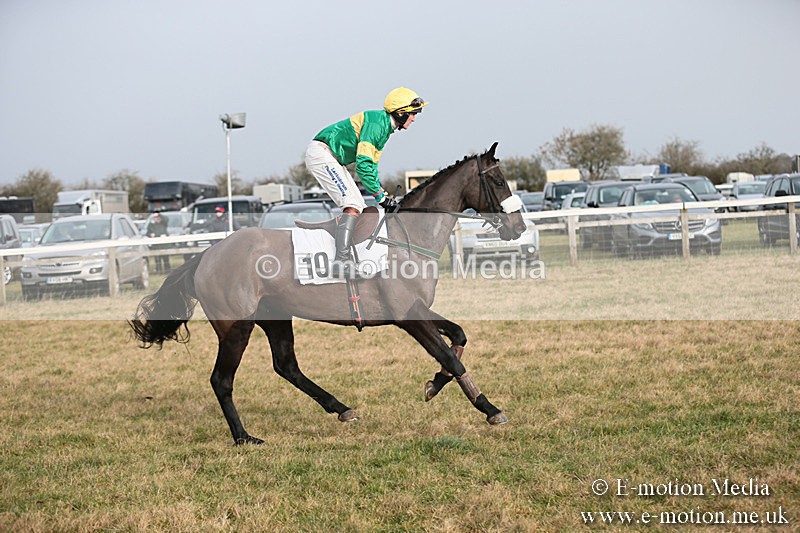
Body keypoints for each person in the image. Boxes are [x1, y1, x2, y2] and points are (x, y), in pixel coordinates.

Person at [304, 86, 428, 276]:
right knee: (352, 204)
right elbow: (362, 166)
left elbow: (371, 166)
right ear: (401, 113)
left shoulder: (385, 127)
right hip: (322, 154)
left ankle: (347, 257)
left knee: (359, 206)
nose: (414, 118)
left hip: (332, 157)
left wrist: (382, 193)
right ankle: (341, 262)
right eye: (413, 114)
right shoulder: (377, 125)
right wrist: (380, 197)